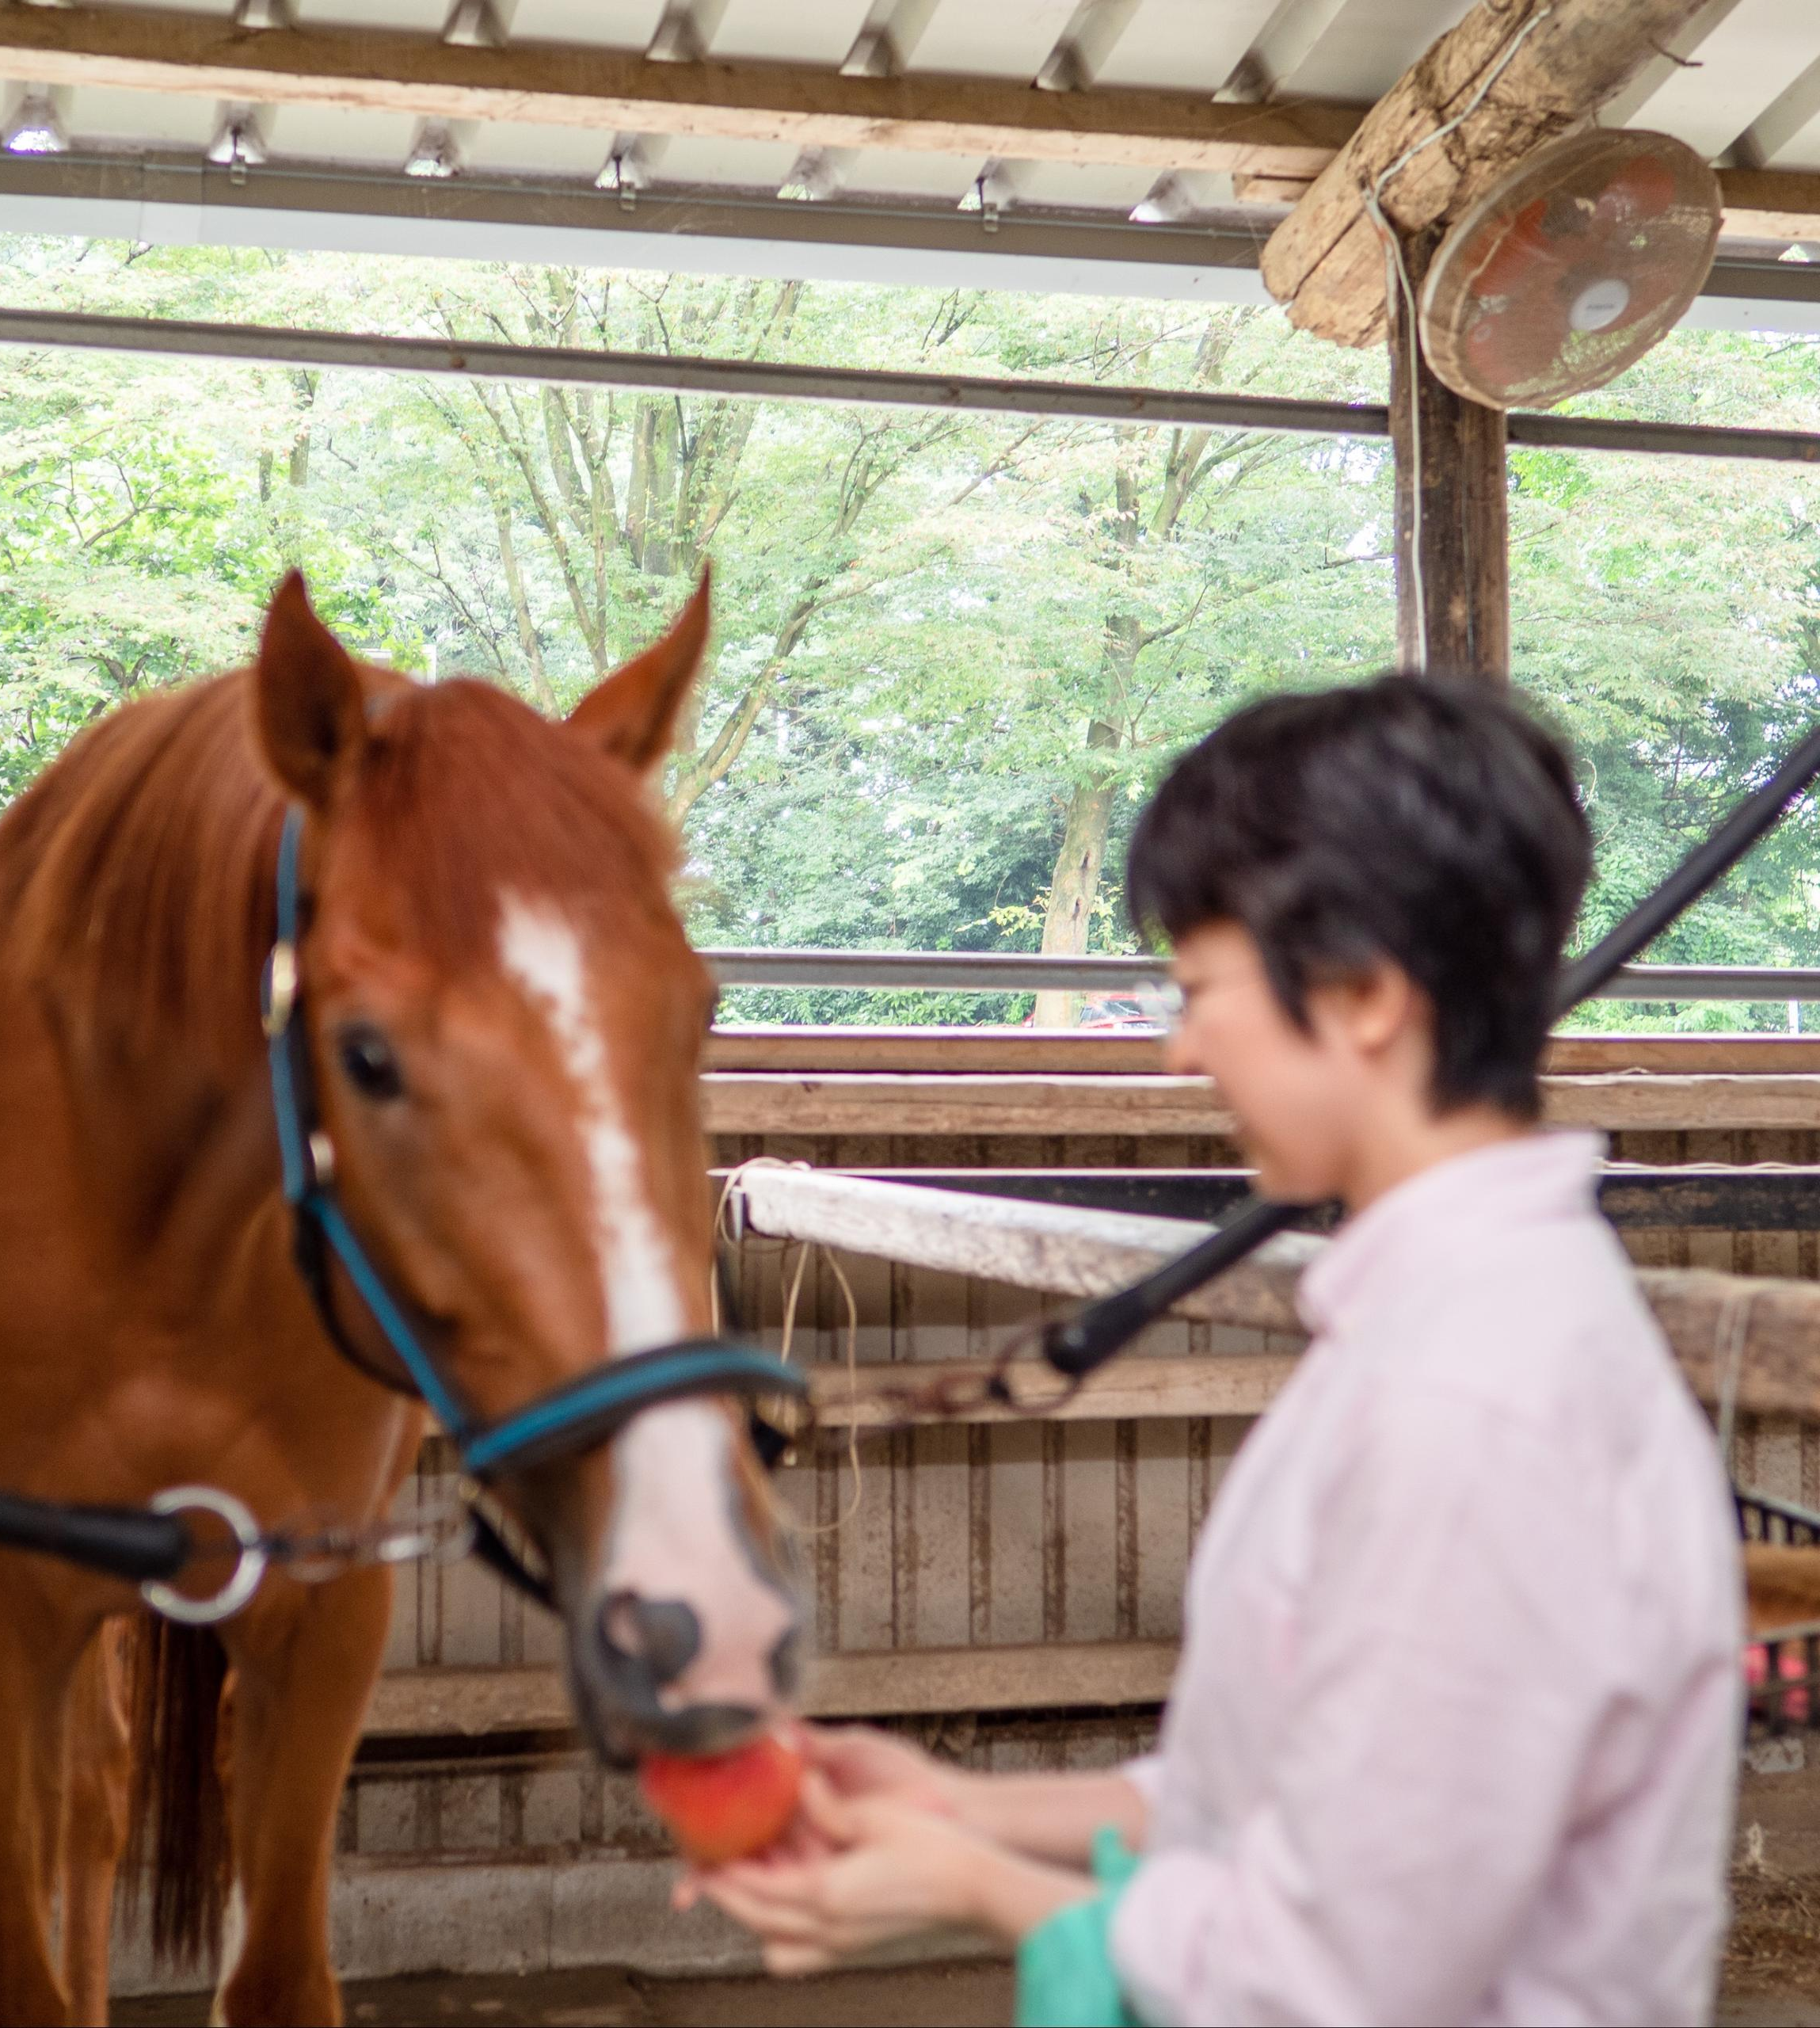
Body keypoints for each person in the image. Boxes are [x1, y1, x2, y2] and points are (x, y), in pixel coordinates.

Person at [681, 675, 1744, 2026]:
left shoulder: (1477, 1401)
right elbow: (1300, 1791)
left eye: (1198, 987)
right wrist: (971, 1803)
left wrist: (968, 1882)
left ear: (1362, 993)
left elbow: (1340, 1983)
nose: (1184, 1049)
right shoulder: (1435, 1333)